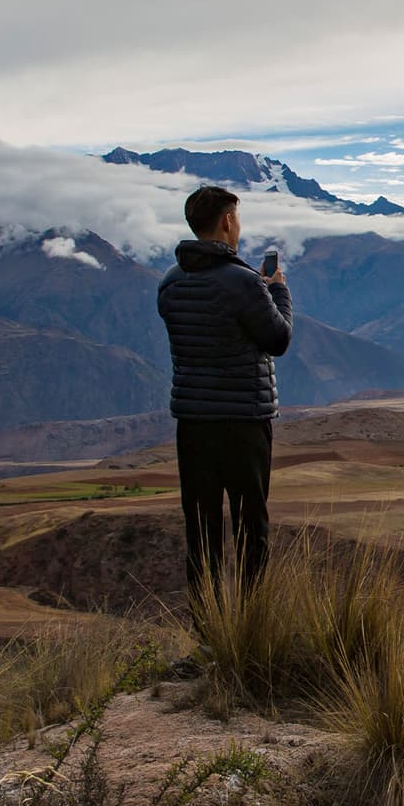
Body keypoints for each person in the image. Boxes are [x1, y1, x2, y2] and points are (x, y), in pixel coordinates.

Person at [158, 185, 292, 596]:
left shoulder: (170, 282)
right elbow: (278, 340)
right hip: (243, 421)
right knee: (251, 522)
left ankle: (208, 621)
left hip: (193, 423)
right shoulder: (245, 282)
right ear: (227, 221)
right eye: (238, 218)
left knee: (201, 526)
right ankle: (251, 621)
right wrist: (279, 291)